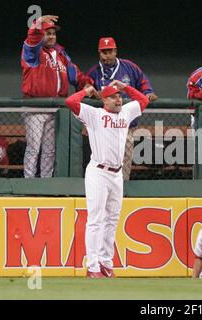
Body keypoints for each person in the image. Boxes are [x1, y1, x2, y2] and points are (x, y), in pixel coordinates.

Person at [65, 80, 149, 278]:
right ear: (105, 100)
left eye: (119, 96)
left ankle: (106, 262)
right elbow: (70, 101)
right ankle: (92, 266)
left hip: (116, 173)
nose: (118, 99)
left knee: (112, 219)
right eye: (113, 96)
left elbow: (143, 100)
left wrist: (124, 87)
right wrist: (85, 91)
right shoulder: (95, 114)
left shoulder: (126, 112)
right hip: (99, 172)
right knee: (95, 219)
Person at [21, 15, 93, 178]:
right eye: (48, 33)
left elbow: (76, 75)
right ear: (41, 35)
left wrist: (87, 84)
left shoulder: (61, 55)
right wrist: (37, 23)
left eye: (53, 33)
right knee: (34, 147)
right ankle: (29, 181)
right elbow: (32, 39)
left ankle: (46, 182)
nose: (51, 36)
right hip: (35, 107)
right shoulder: (33, 53)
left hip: (55, 108)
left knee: (49, 149)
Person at [87, 37, 158, 180]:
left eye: (110, 51)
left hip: (124, 122)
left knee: (125, 154)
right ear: (99, 53)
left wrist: (148, 92)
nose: (107, 55)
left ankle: (123, 184)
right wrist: (92, 94)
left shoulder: (128, 67)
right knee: (102, 157)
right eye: (104, 52)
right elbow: (84, 90)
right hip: (103, 123)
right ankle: (100, 181)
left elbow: (143, 82)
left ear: (115, 51)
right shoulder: (94, 72)